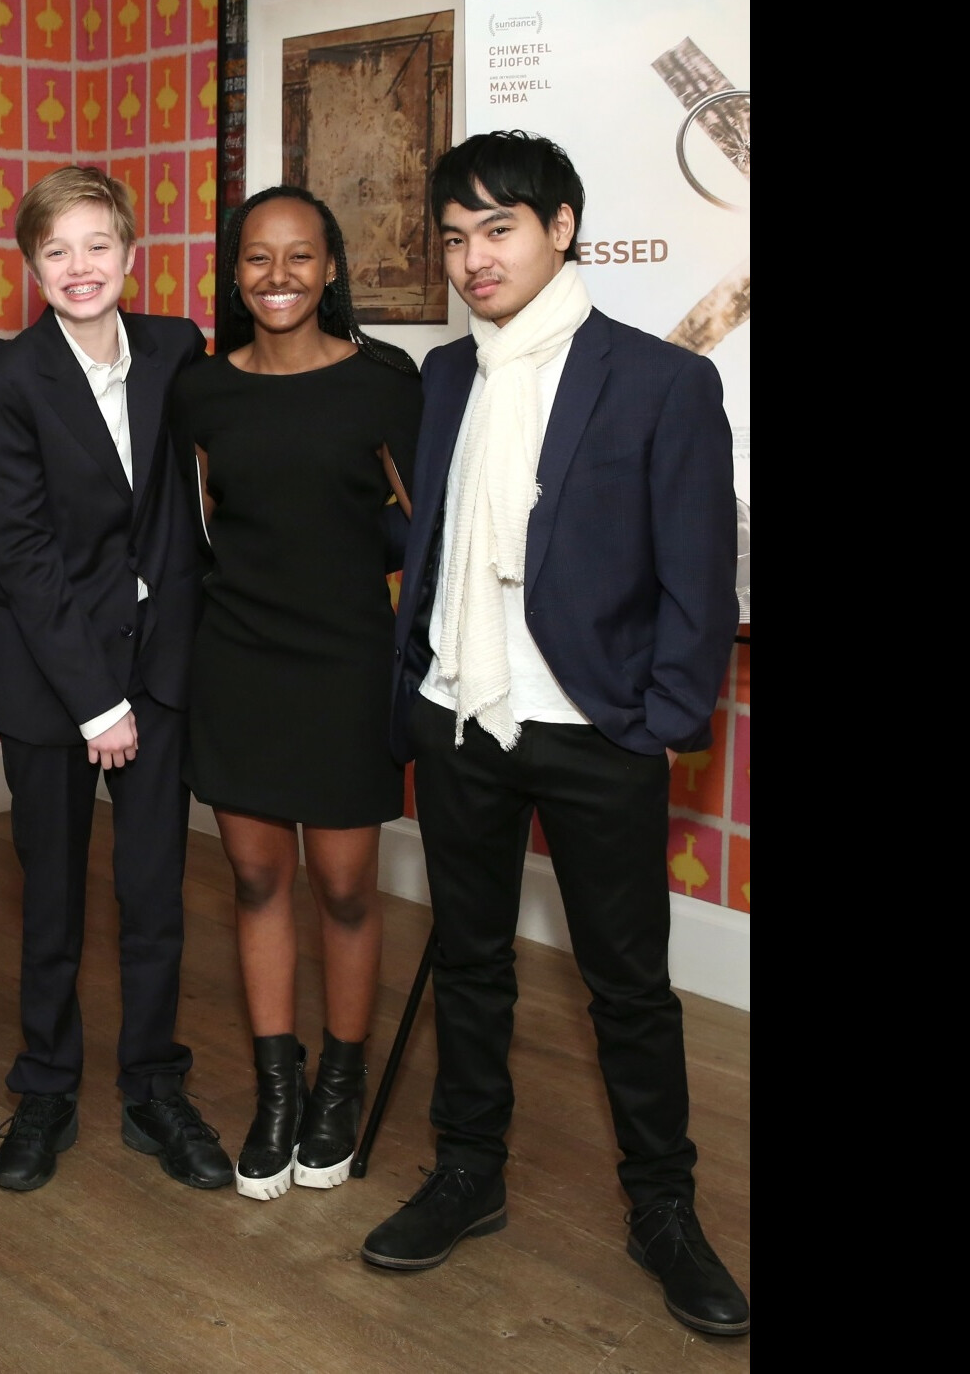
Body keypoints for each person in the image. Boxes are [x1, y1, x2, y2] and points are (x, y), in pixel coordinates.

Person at [358, 131, 749, 1338]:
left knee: (627, 987)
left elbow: (701, 574)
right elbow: (431, 538)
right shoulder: (447, 378)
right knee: (469, 963)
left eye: (500, 229)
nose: (474, 258)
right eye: (456, 237)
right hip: (465, 719)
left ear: (563, 228)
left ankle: (664, 1208)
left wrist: (661, 723)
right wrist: (414, 677)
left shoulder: (660, 381)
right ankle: (468, 1172)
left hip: (596, 731)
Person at [168, 184, 422, 1201]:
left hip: (350, 668)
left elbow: (431, 531)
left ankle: (341, 1088)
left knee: (348, 888)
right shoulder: (200, 390)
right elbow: (192, 525)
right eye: (258, 259)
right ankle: (281, 1091)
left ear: (331, 269)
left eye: (300, 257)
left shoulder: (385, 382)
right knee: (260, 881)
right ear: (236, 273)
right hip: (240, 662)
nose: (279, 277)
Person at [0, 165, 233, 1194]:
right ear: (31, 265)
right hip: (53, 675)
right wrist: (97, 703)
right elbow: (23, 551)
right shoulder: (8, 378)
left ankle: (151, 1085)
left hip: (161, 660)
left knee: (154, 894)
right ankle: (45, 1086)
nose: (80, 267)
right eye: (57, 250)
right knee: (49, 898)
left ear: (131, 252)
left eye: (98, 245)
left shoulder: (178, 348)